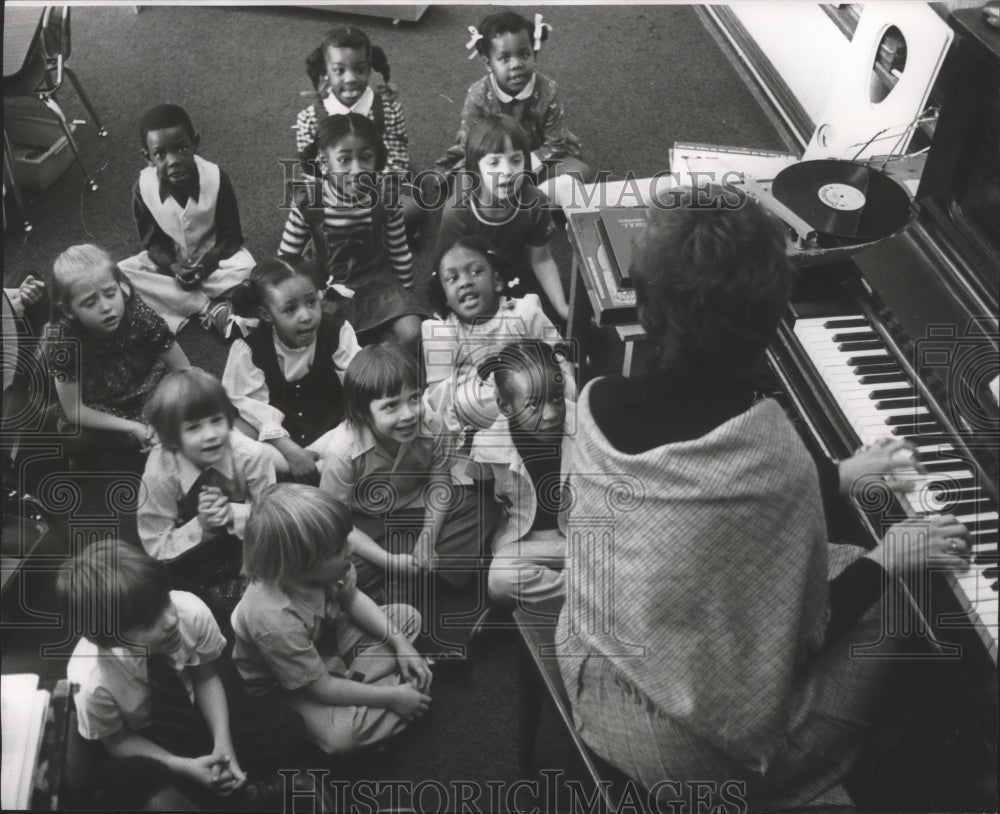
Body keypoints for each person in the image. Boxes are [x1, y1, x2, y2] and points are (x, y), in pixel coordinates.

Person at [554, 187, 972, 812]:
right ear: (775, 319)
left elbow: (699, 510)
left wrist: (835, 476)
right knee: (912, 602)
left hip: (587, 653)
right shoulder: (771, 454)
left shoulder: (600, 400)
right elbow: (810, 628)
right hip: (688, 757)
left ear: (645, 304)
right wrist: (890, 559)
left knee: (827, 551)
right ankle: (895, 774)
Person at [59, 539, 307, 810]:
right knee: (154, 799)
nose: (170, 620)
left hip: (194, 714)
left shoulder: (190, 610)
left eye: (164, 601)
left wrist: (223, 744)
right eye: (147, 623)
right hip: (150, 741)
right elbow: (118, 741)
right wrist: (185, 768)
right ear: (111, 639)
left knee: (288, 727)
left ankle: (234, 787)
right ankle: (238, 793)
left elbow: (205, 676)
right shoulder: (90, 679)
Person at [230, 483, 433, 755]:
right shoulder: (272, 618)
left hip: (325, 640)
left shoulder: (327, 568)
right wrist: (393, 698)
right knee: (340, 737)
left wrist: (400, 644)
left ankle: (376, 690)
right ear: (300, 564)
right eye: (338, 549)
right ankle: (394, 691)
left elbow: (351, 598)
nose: (350, 549)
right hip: (286, 686)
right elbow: (322, 689)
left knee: (407, 619)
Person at [318, 344, 495, 600]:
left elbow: (440, 483)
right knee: (334, 568)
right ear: (362, 414)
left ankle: (406, 580)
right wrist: (388, 561)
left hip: (415, 509)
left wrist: (428, 537)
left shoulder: (431, 423)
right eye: (391, 406)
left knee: (482, 509)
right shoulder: (342, 451)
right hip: (363, 523)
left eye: (414, 398)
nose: (409, 414)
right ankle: (409, 578)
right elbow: (338, 525)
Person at [278, 113, 427, 357]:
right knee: (324, 347)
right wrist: (295, 296)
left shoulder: (386, 199)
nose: (357, 170)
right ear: (324, 162)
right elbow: (287, 254)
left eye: (365, 158)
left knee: (413, 333)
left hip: (377, 281)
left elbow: (399, 249)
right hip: (329, 286)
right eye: (344, 159)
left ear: (377, 159)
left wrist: (406, 297)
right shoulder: (310, 200)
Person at [139, 368, 275, 622]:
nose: (210, 434)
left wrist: (232, 514)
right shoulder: (159, 473)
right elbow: (156, 546)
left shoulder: (252, 456)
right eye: (193, 427)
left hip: (251, 540)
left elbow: (273, 515)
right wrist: (202, 526)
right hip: (192, 553)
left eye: (216, 420)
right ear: (170, 439)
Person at [42, 244, 189, 469]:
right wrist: (134, 427)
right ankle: (132, 444)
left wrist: (170, 409)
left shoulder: (137, 313)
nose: (107, 307)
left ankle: (140, 442)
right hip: (102, 404)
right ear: (70, 311)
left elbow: (184, 370)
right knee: (75, 438)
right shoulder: (62, 341)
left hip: (150, 387)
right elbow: (74, 410)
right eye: (90, 303)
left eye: (111, 293)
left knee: (186, 402)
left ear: (121, 287)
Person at [118, 103, 255, 337]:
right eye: (160, 154)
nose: (173, 161)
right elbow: (152, 243)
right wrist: (173, 267)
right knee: (120, 274)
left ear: (195, 143)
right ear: (147, 157)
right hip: (172, 261)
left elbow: (232, 237)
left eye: (181, 148)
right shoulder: (142, 188)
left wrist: (206, 265)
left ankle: (175, 301)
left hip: (214, 258)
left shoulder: (217, 178)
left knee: (248, 269)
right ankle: (208, 307)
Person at [433, 10, 594, 205]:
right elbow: (472, 148)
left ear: (534, 54)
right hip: (492, 163)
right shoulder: (477, 96)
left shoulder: (548, 89)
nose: (516, 64)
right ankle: (516, 202)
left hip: (537, 161)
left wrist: (522, 169)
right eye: (504, 58)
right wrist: (500, 171)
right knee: (464, 187)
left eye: (524, 54)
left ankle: (532, 202)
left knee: (581, 173)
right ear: (488, 64)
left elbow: (556, 143)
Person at [224, 257, 360, 481]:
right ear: (267, 315)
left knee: (365, 418)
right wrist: (291, 451)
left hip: (332, 428)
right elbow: (252, 407)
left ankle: (321, 466)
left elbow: (360, 382)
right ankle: (297, 471)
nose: (306, 316)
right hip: (280, 439)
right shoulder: (250, 350)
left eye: (311, 302)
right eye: (290, 309)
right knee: (230, 435)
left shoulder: (336, 331)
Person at [422, 236, 572, 435]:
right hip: (480, 407)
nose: (465, 282)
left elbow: (558, 356)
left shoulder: (523, 312)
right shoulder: (441, 332)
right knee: (465, 402)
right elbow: (440, 399)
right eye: (452, 278)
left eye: (476, 272)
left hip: (536, 393)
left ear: (497, 281)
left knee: (563, 381)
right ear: (445, 298)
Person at [434, 114, 569, 324]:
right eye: (494, 162)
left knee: (556, 327)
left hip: (517, 277)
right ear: (476, 168)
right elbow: (445, 269)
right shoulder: (457, 212)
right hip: (473, 283)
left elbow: (541, 259)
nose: (506, 172)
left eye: (515, 160)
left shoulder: (535, 202)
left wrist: (562, 308)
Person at [293, 24, 423, 237]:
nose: (351, 78)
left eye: (360, 69)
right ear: (325, 72)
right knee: (307, 211)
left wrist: (371, 192)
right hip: (335, 188)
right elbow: (311, 172)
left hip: (378, 183)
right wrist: (341, 195)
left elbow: (398, 158)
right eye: (339, 71)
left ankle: (371, 230)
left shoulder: (388, 110)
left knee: (412, 206)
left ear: (370, 68)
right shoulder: (309, 119)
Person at [472, 340, 574, 607]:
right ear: (506, 407)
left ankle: (576, 587)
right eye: (534, 405)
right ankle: (588, 587)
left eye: (556, 397)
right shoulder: (488, 446)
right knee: (501, 580)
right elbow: (483, 500)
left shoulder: (586, 424)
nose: (551, 414)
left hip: (581, 537)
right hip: (527, 543)